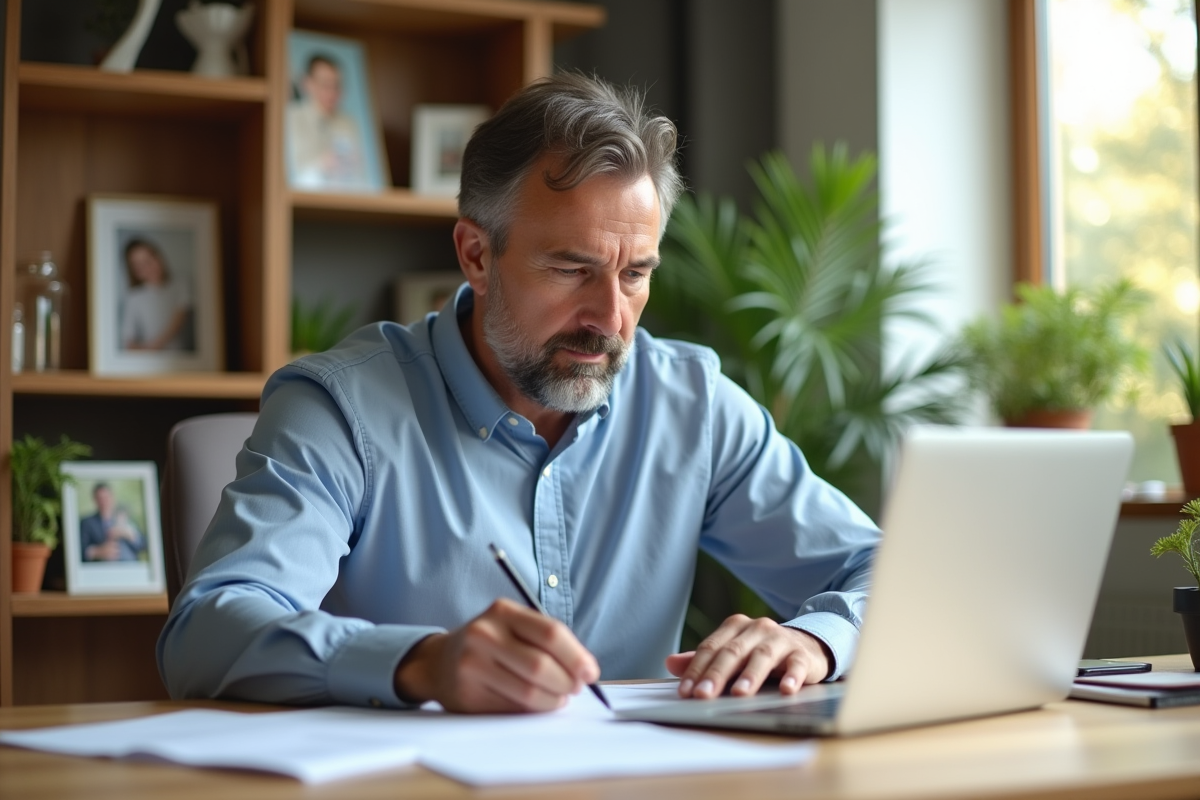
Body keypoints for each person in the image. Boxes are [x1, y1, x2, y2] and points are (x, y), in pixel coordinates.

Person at [159, 73, 880, 714]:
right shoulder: (342, 409)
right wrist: (420, 663)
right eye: (571, 269)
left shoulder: (691, 404)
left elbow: (885, 572)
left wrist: (815, 641)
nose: (609, 318)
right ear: (476, 253)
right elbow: (209, 630)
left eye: (635, 275)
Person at [286, 54, 368, 189]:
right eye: (325, 84)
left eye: (336, 86)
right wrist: (323, 165)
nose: (331, 93)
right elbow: (290, 178)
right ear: (307, 83)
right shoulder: (290, 118)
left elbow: (360, 179)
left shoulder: (348, 124)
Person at [121, 238, 193, 352]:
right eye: (139, 265)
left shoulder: (180, 284)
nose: (147, 268)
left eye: (148, 261)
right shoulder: (133, 297)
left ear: (158, 258)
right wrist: (143, 351)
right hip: (148, 361)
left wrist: (152, 347)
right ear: (133, 270)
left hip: (180, 359)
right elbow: (128, 339)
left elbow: (180, 317)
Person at [80, 483, 146, 563]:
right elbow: (80, 551)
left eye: (106, 497)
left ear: (112, 497)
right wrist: (98, 551)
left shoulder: (127, 519)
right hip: (101, 570)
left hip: (130, 568)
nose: (104, 502)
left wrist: (128, 534)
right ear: (94, 500)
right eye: (100, 498)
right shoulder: (87, 523)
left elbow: (144, 544)